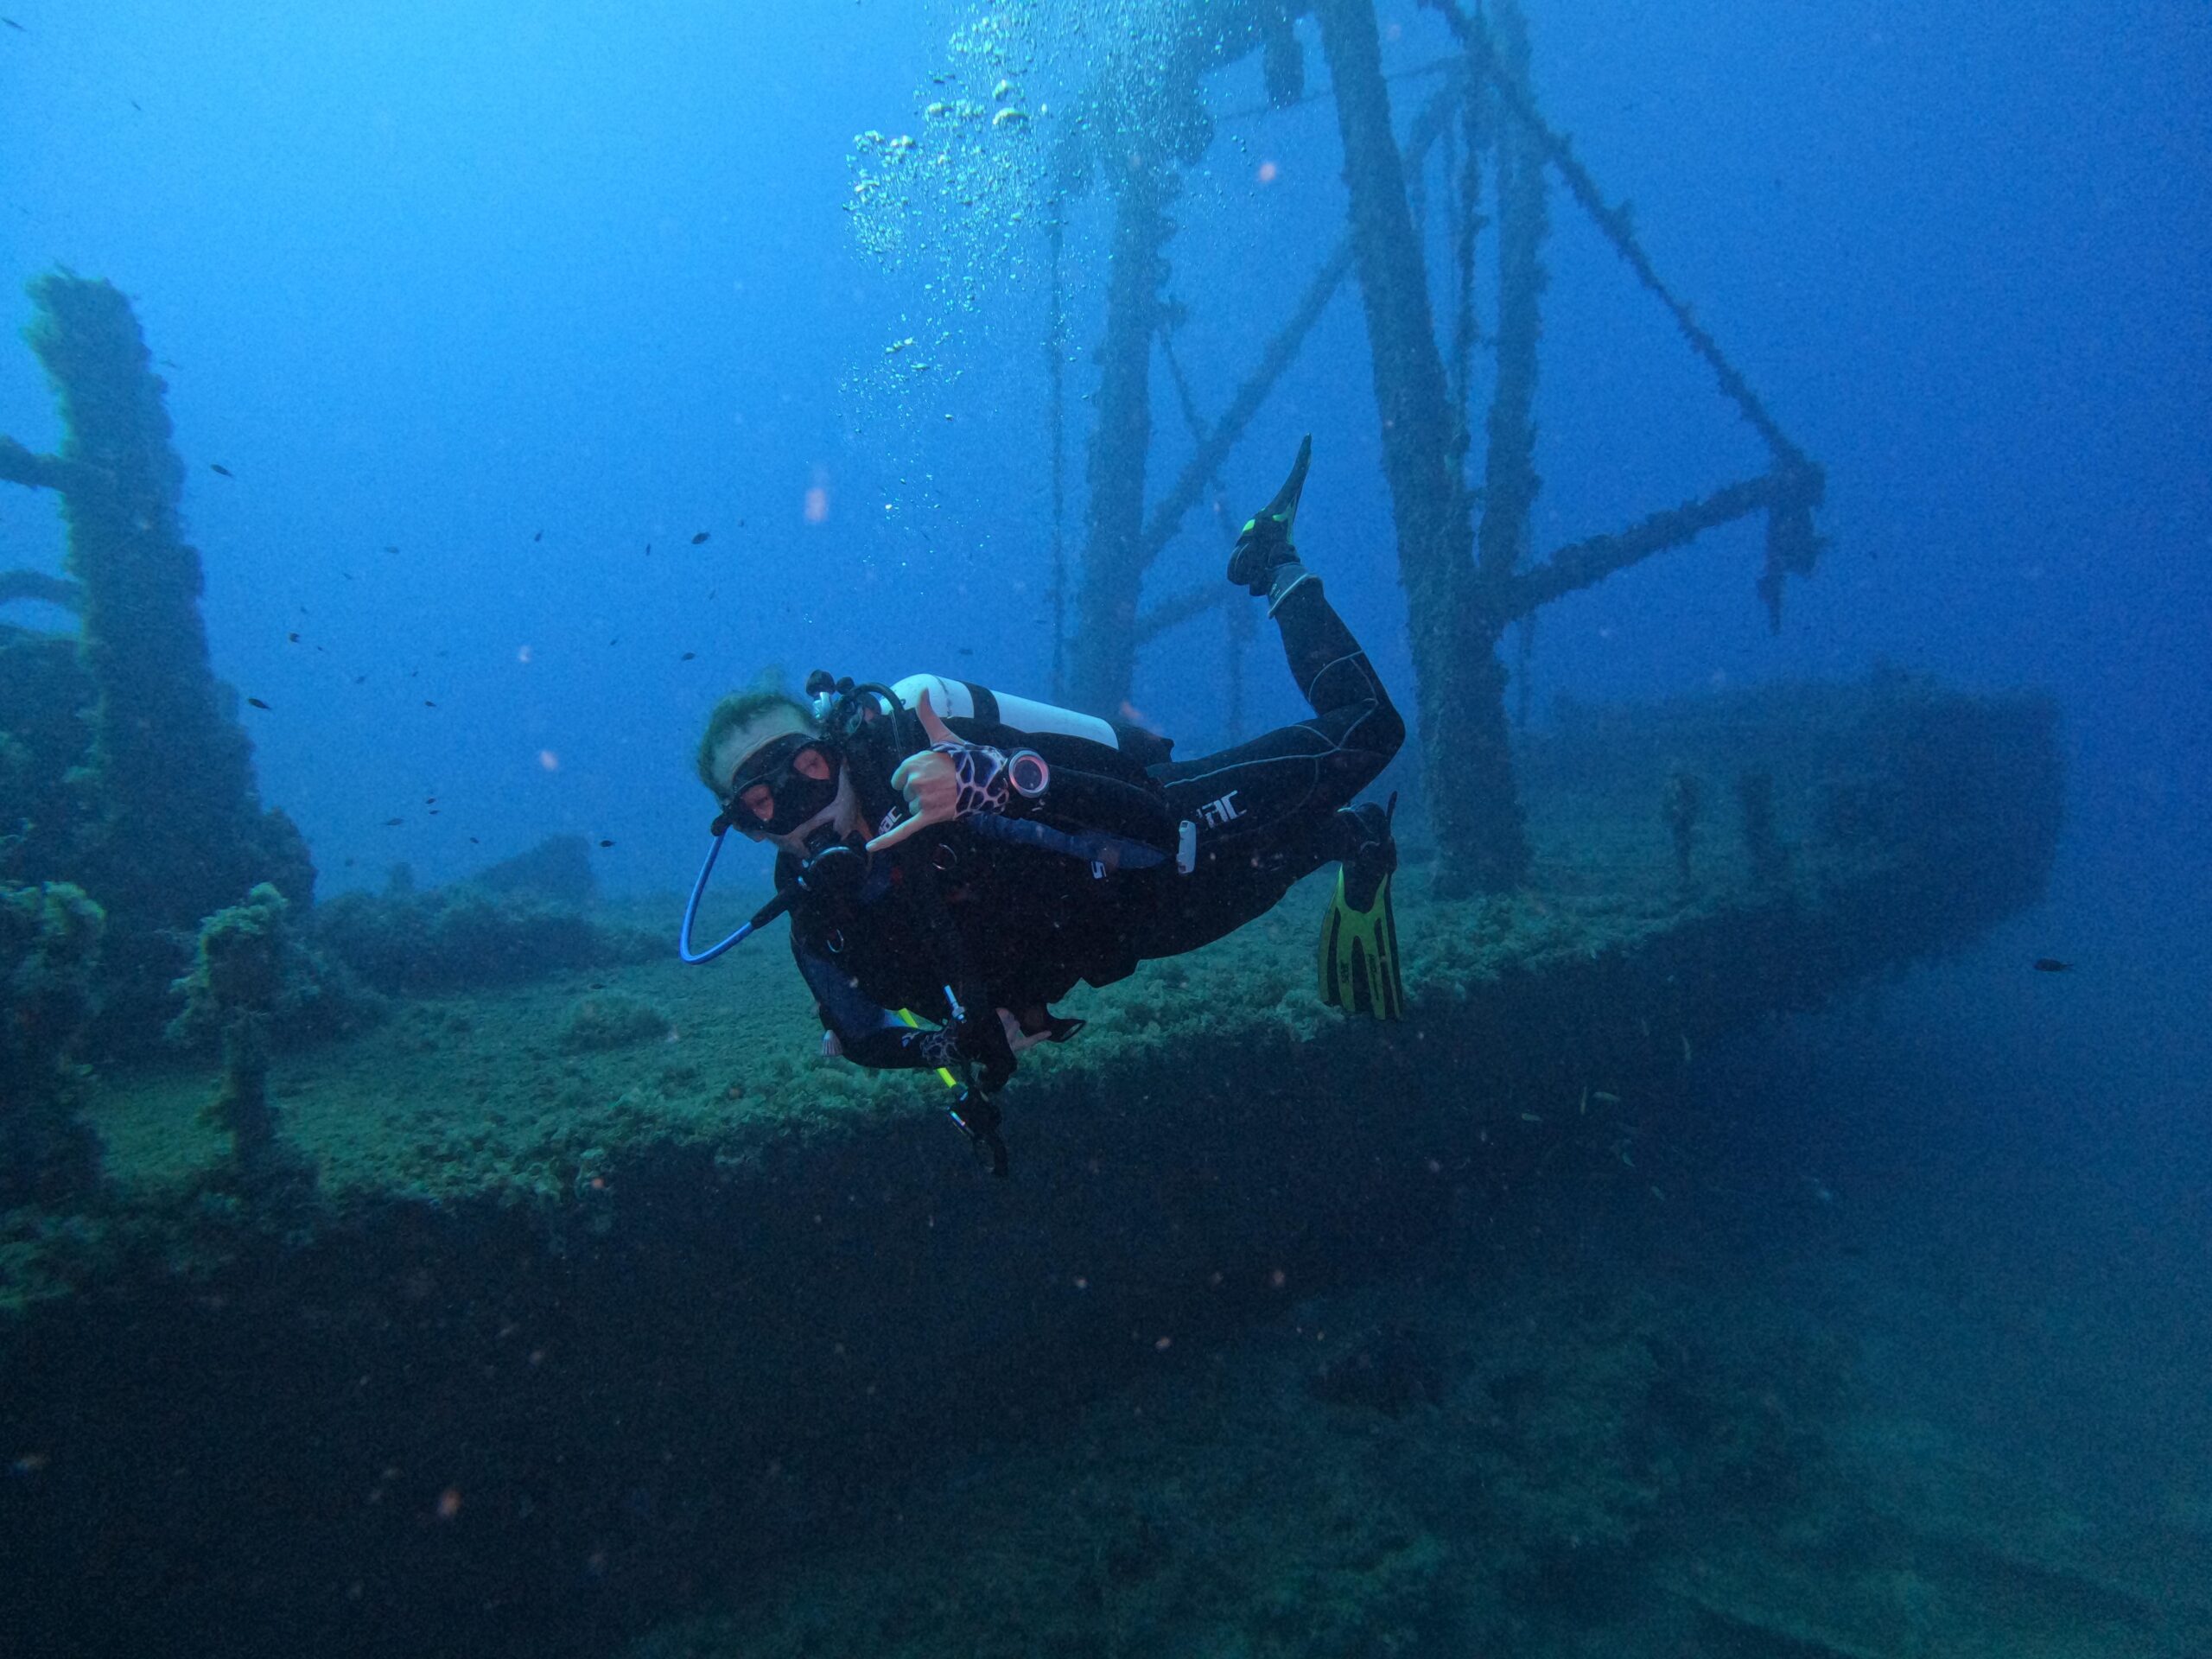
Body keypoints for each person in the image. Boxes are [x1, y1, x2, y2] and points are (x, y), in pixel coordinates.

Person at [680, 439, 1406, 1172]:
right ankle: (1351, 836)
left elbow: (1154, 827)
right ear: (747, 828)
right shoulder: (819, 920)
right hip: (1143, 933)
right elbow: (862, 1033)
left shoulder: (932, 773)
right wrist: (951, 1044)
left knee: (1371, 731)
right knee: (1271, 869)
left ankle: (1272, 561)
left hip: (1170, 827)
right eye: (765, 802)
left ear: (837, 750)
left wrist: (990, 782)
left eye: (809, 768)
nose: (802, 807)